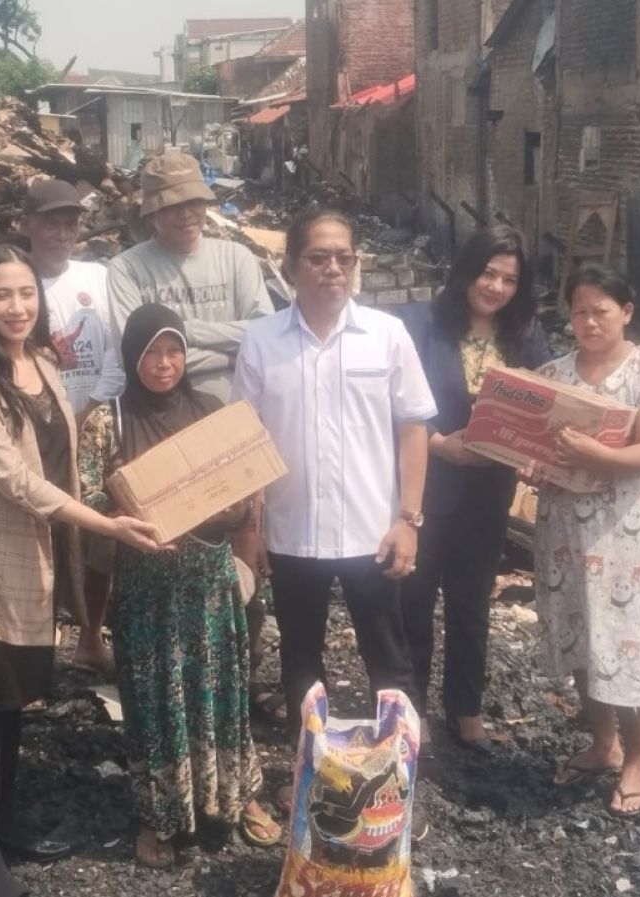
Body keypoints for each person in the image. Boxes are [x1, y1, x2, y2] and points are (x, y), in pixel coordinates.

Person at [0, 245, 164, 897]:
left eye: (26, 293)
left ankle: (6, 830)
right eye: (1, 295)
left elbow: (63, 458)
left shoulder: (41, 360)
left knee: (14, 705)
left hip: (36, 559)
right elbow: (16, 479)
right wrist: (104, 526)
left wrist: (117, 502)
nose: (17, 307)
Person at [231, 209, 437, 813]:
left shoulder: (386, 335)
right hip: (293, 532)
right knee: (301, 654)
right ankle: (315, 775)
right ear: (292, 265)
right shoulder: (262, 341)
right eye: (318, 257)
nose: (332, 268)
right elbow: (247, 442)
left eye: (344, 257)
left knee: (388, 658)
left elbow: (413, 428)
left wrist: (410, 519)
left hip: (373, 531)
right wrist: (253, 527)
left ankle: (397, 786)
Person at [79, 303, 280, 869]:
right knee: (156, 698)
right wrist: (126, 506)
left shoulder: (210, 412)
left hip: (209, 581)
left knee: (219, 693)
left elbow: (246, 488)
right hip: (148, 588)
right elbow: (85, 495)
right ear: (131, 356)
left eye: (174, 351)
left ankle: (235, 796)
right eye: (151, 353)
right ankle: (160, 814)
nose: (164, 364)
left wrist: (244, 524)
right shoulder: (109, 420)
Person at [525, 263, 640, 817]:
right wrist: (529, 462)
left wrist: (591, 455)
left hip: (619, 538)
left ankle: (637, 759)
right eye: (579, 311)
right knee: (579, 636)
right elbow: (533, 442)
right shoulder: (554, 374)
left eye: (601, 310)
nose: (589, 321)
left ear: (626, 312)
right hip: (560, 532)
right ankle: (603, 744)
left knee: (628, 646)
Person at [397, 225, 550, 753]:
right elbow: (390, 403)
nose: (497, 287)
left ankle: (465, 710)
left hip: (488, 492)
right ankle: (409, 712)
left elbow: (544, 406)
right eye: (488, 273)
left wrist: (534, 452)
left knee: (470, 605)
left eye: (509, 279)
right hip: (425, 485)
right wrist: (438, 444)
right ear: (467, 269)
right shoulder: (418, 325)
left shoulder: (524, 337)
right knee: (412, 600)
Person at [21, 178, 126, 676]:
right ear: (27, 225)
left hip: (99, 424)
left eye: (70, 223)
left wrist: (93, 408)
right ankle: (35, 646)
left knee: (99, 536)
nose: (61, 233)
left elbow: (117, 349)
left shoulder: (99, 277)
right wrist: (56, 415)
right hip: (39, 428)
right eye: (50, 222)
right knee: (41, 535)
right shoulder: (18, 282)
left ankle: (89, 635)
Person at [106, 151, 275, 404]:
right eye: (173, 205)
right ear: (152, 213)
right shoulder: (127, 268)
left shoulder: (237, 258)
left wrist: (188, 331)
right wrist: (230, 357)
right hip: (160, 414)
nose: (186, 214)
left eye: (194, 202)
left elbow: (265, 334)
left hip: (236, 409)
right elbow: (136, 354)